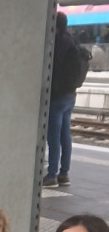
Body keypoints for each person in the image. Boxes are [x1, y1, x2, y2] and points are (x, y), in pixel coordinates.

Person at [44, 12, 79, 188]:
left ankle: (52, 176)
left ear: (54, 26)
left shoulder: (57, 42)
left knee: (54, 137)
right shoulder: (72, 39)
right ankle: (64, 174)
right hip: (70, 95)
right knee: (65, 135)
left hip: (57, 96)